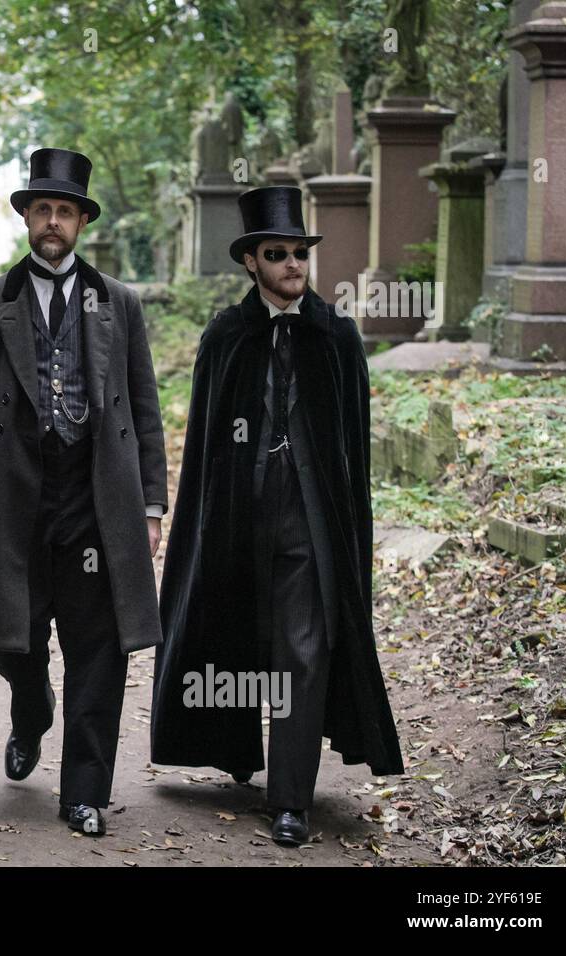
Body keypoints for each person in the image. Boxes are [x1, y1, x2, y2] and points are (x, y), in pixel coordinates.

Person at [149, 185, 404, 846]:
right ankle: (237, 752)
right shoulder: (227, 335)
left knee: (303, 650)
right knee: (234, 638)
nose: (293, 263)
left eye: (298, 252)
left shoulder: (337, 337)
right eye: (277, 253)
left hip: (311, 524)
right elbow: (205, 448)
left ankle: (290, 798)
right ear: (251, 262)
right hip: (237, 519)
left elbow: (354, 451)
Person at [0, 148, 167, 836]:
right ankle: (31, 708)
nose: (53, 221)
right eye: (43, 210)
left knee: (100, 649)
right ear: (27, 219)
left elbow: (143, 407)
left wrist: (151, 503)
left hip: (97, 501)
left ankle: (85, 793)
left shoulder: (117, 303)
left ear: (82, 221)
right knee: (15, 641)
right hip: (14, 498)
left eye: (65, 210)